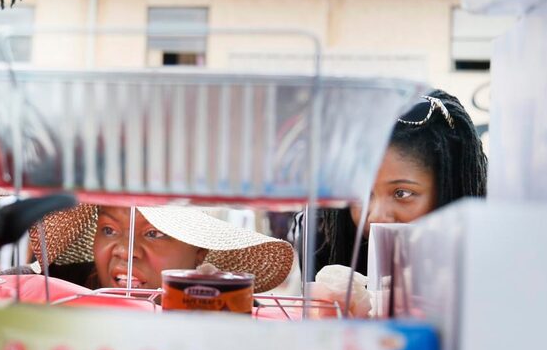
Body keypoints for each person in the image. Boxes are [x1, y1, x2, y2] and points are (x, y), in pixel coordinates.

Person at [305, 89, 488, 273]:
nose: (376, 217)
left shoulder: (491, 262)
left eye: (402, 193)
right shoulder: (321, 244)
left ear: (452, 190)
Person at [26, 204, 295, 294]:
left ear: (198, 253)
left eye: (154, 233)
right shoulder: (43, 293)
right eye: (109, 230)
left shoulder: (222, 314)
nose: (125, 251)